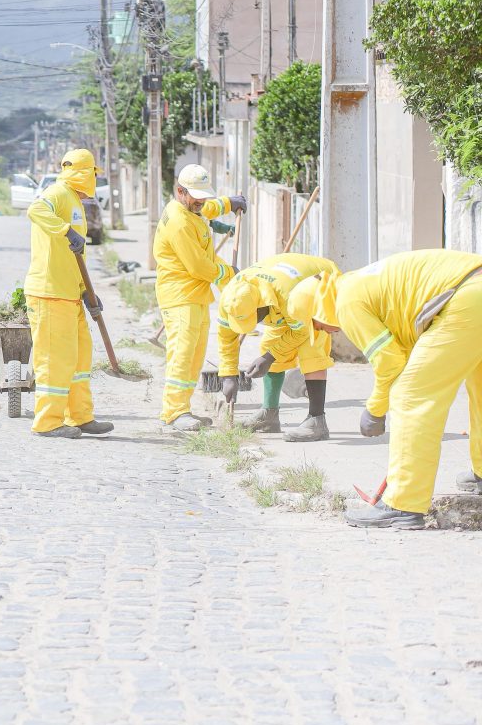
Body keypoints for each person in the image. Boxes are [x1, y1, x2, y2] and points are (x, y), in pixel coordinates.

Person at [328, 250, 482, 528]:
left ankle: (403, 504)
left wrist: (375, 410)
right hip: (473, 287)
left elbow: (390, 362)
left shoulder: (346, 304)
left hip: (467, 300)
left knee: (412, 395)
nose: (325, 332)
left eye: (317, 327)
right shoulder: (360, 282)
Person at [24, 148, 113, 439]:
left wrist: (87, 292)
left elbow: (75, 255)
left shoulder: (74, 199)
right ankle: (48, 422)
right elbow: (35, 210)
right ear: (85, 173)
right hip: (49, 293)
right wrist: (66, 230)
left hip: (69, 294)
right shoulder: (58, 192)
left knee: (79, 360)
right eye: (93, 175)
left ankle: (80, 416)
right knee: (54, 361)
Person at [152, 164, 243, 432]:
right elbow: (199, 266)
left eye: (204, 196)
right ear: (180, 192)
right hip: (180, 295)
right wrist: (229, 273)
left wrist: (229, 203)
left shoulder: (192, 209)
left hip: (196, 295)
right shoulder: (179, 222)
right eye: (196, 197)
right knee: (182, 355)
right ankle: (174, 412)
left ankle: (183, 409)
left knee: (194, 356)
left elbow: (207, 209)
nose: (201, 202)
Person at [216, 252, 338, 440]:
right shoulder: (230, 298)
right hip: (284, 298)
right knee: (269, 344)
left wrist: (269, 357)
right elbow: (226, 337)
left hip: (320, 283)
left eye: (253, 319)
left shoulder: (287, 295)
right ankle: (269, 416)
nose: (254, 324)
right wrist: (228, 375)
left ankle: (317, 421)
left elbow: (301, 332)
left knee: (312, 350)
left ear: (261, 305)